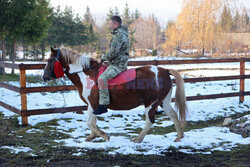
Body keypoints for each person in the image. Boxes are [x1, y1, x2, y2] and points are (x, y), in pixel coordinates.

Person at [93, 15, 130, 115]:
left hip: (118, 64)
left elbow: (114, 51)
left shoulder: (119, 35)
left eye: (111, 24)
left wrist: (104, 58)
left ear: (116, 24)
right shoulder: (121, 33)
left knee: (102, 78)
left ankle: (103, 105)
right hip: (117, 62)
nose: (110, 26)